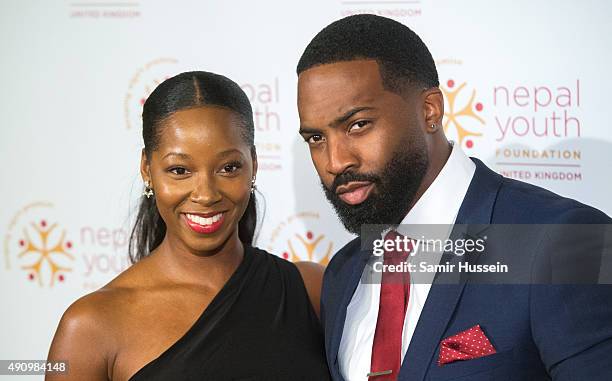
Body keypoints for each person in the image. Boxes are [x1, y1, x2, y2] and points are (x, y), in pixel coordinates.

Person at [296, 14, 612, 381]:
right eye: (316, 139)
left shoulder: (566, 243)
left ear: (430, 110)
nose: (336, 162)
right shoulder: (344, 272)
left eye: (358, 125)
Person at [47, 71, 331, 381]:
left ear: (254, 165)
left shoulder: (311, 290)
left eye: (229, 167)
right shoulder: (90, 327)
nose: (206, 194)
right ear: (147, 169)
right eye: (180, 170)